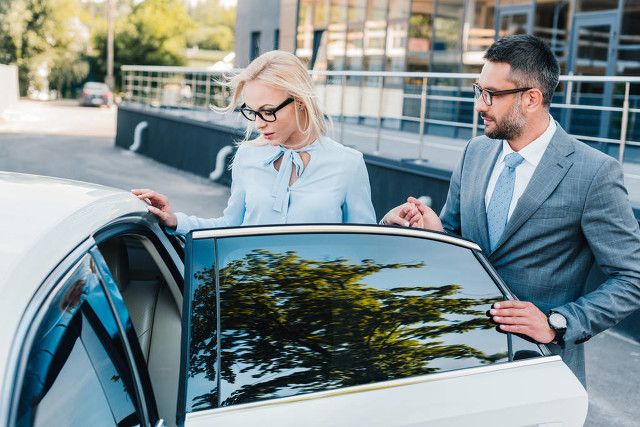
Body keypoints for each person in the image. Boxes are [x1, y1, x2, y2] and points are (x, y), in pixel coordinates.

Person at [382, 34, 640, 387]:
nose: (479, 105)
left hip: (538, 368)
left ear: (532, 99)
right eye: (478, 90)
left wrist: (557, 322)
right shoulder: (474, 152)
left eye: (490, 94)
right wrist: (431, 230)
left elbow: (632, 278)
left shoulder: (593, 172)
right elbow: (456, 237)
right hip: (458, 355)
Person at [133, 51, 376, 232]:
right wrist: (176, 221)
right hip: (252, 296)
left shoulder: (348, 164)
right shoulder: (247, 156)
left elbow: (364, 243)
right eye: (251, 111)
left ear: (300, 101)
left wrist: (388, 223)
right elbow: (231, 225)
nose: (258, 123)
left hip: (318, 299)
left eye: (268, 111)